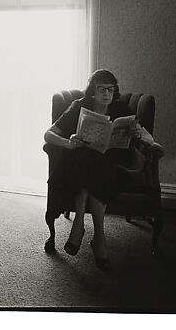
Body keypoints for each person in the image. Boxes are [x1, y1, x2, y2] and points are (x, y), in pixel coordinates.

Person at [43, 69, 154, 270]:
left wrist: (139, 133)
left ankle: (79, 226)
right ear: (92, 91)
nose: (106, 94)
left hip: (110, 165)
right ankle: (99, 239)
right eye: (101, 89)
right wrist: (69, 143)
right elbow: (48, 135)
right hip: (80, 164)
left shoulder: (121, 109)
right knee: (91, 163)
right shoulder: (78, 107)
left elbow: (150, 139)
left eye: (111, 89)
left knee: (96, 169)